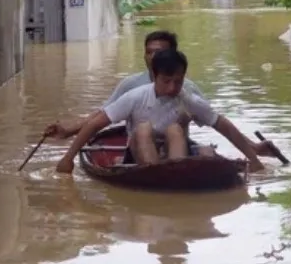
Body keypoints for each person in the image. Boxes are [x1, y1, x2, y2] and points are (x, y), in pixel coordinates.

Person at [54, 48, 265, 173]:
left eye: (178, 81)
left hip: (175, 156)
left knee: (175, 130)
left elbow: (224, 126)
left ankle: (174, 173)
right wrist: (68, 158)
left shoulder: (188, 98)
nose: (173, 88)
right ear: (154, 77)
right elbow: (95, 123)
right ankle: (155, 173)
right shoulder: (135, 96)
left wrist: (253, 159)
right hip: (139, 156)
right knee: (144, 129)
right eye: (167, 81)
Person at [43, 30, 204, 140]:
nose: (152, 57)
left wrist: (187, 116)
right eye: (149, 52)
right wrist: (68, 131)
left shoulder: (188, 89)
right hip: (139, 149)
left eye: (159, 52)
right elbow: (102, 116)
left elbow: (209, 119)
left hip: (176, 148)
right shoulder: (131, 85)